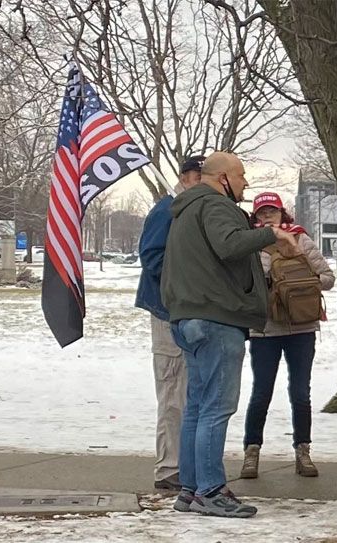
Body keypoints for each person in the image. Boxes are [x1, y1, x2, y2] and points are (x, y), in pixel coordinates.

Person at [160, 152, 298, 518]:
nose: (245, 184)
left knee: (197, 407)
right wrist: (272, 233)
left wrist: (261, 241)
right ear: (222, 178)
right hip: (217, 319)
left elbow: (219, 249)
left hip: (188, 318)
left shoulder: (185, 210)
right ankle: (210, 490)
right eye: (240, 176)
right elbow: (229, 244)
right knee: (217, 408)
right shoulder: (217, 206)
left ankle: (189, 489)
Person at [240, 192, 335, 479]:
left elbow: (328, 278)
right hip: (265, 330)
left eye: (273, 212)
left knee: (300, 393)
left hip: (302, 328)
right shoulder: (251, 245)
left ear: (283, 214)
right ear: (256, 218)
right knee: (261, 392)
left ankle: (303, 451)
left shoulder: (301, 239)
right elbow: (243, 285)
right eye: (262, 213)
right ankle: (251, 452)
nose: (268, 217)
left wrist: (301, 281)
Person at [135, 155, 204, 491]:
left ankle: (186, 466)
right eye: (199, 178)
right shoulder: (167, 209)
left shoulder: (195, 211)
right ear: (185, 178)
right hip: (167, 312)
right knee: (173, 393)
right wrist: (187, 284)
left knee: (191, 395)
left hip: (192, 313)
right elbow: (151, 257)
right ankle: (168, 469)